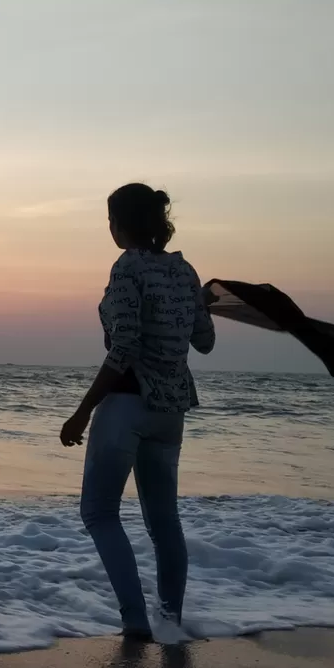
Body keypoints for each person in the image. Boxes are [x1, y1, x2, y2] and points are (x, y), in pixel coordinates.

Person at [60, 183, 215, 641]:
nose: (110, 228)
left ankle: (135, 623)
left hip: (127, 404)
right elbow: (204, 342)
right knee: (164, 521)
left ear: (122, 224)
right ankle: (171, 622)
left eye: (111, 220)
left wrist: (83, 411)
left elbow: (124, 346)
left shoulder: (127, 268)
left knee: (100, 513)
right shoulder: (185, 271)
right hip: (171, 412)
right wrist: (200, 302)